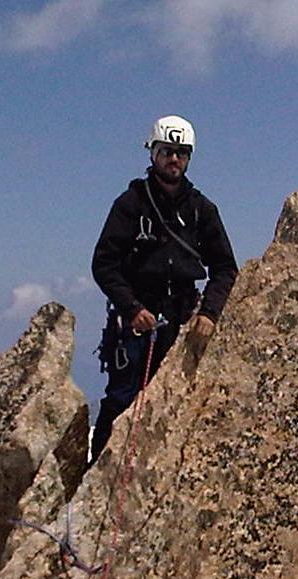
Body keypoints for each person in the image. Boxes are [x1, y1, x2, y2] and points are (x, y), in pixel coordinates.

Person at [90, 115, 238, 463]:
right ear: (153, 153)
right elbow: (104, 264)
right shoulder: (130, 205)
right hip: (137, 320)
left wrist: (209, 312)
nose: (175, 159)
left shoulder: (202, 210)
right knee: (122, 400)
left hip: (182, 319)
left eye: (182, 153)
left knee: (179, 407)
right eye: (168, 151)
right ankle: (96, 475)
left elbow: (225, 268)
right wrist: (130, 308)